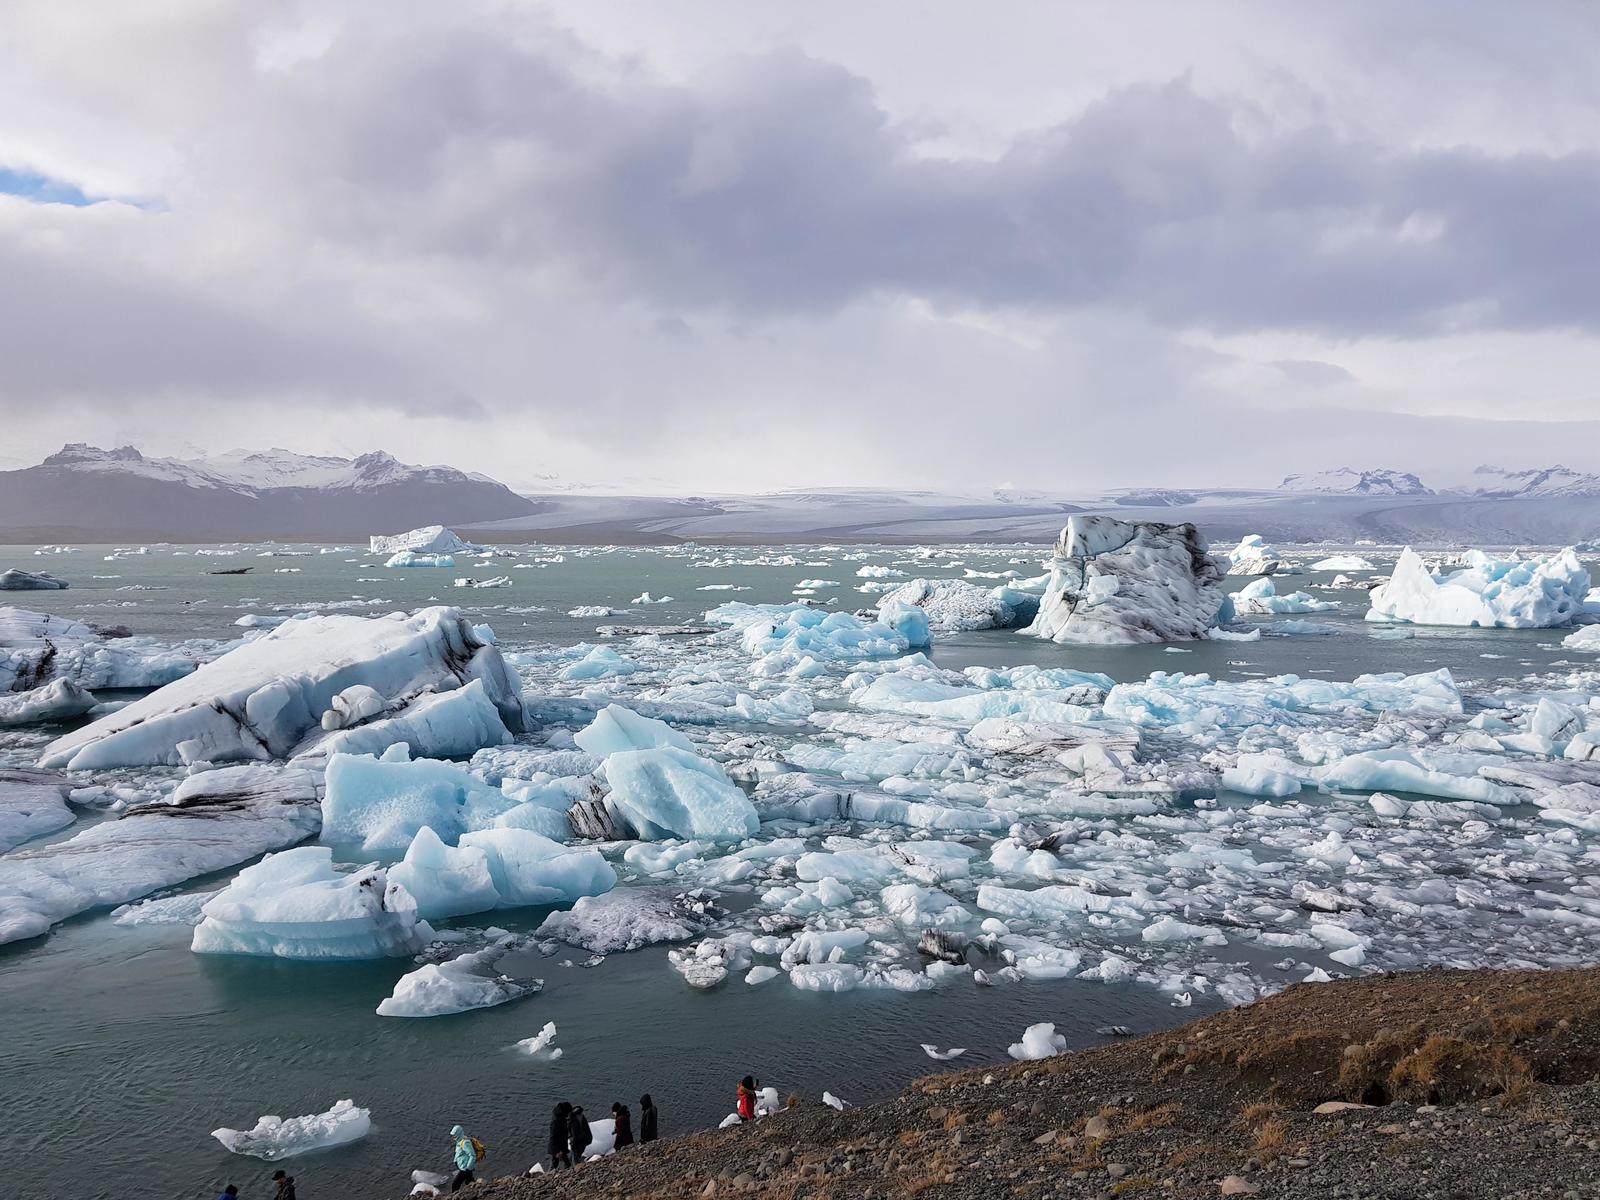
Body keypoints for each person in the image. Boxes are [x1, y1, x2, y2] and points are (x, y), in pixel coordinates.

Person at [449, 1123, 477, 1192]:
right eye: (452, 1135)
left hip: (465, 1168)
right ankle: (475, 1190)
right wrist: (455, 1161)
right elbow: (458, 1153)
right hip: (463, 1167)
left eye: (454, 1135)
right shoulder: (459, 1141)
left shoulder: (465, 1142)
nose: (453, 1137)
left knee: (455, 1184)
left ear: (458, 1133)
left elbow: (472, 1155)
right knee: (469, 1181)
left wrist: (468, 1167)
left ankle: (454, 1197)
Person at [547, 1102, 573, 1170]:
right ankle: (549, 1175)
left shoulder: (560, 1117)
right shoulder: (556, 1121)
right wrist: (557, 1151)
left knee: (556, 1163)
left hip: (561, 1146)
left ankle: (551, 1175)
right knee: (555, 1163)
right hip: (558, 1148)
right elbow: (553, 1137)